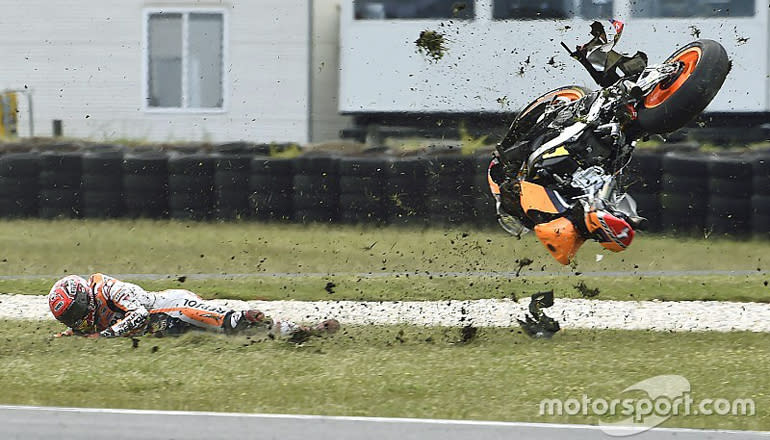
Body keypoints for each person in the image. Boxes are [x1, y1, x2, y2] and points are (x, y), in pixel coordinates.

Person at [48, 273, 340, 340]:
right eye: (68, 318)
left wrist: (105, 336)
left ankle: (304, 331)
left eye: (75, 313)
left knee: (231, 324)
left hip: (169, 308)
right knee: (223, 339)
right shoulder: (83, 321)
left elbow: (137, 316)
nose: (75, 320)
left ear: (86, 298)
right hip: (159, 332)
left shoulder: (111, 289)